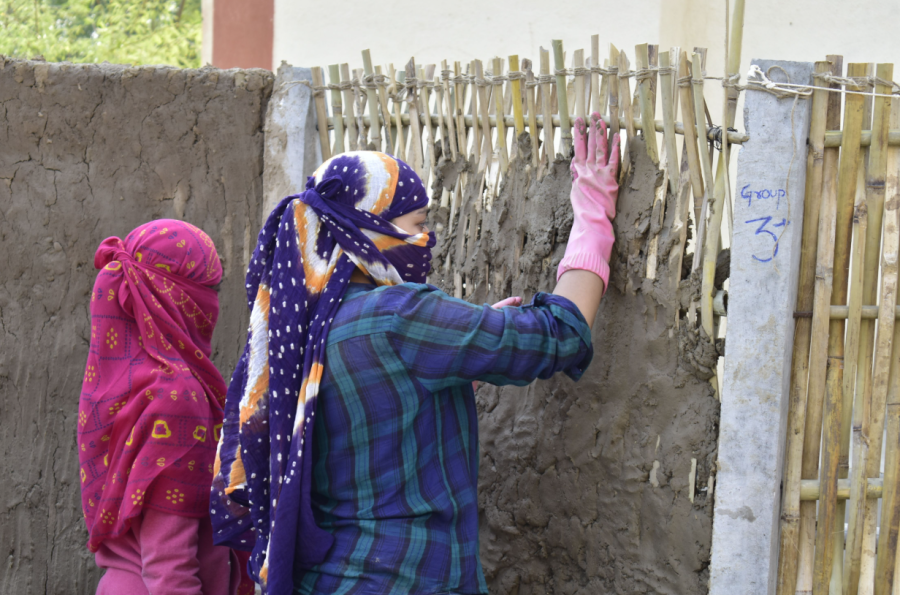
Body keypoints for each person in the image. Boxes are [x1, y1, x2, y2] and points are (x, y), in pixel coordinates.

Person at [211, 114, 619, 595]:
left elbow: (376, 403)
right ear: (368, 229)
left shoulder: (305, 326)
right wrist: (593, 219)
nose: (427, 240)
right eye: (418, 223)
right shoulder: (402, 317)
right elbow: (558, 333)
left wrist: (456, 348)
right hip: (407, 577)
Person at [78, 219, 253, 594]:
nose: (214, 306)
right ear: (178, 298)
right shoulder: (177, 397)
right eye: (211, 290)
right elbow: (167, 566)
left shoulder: (123, 381)